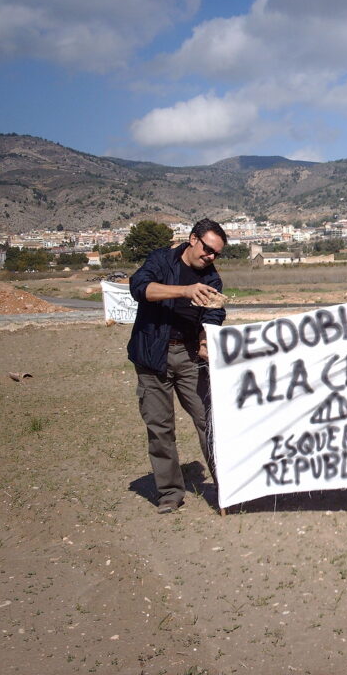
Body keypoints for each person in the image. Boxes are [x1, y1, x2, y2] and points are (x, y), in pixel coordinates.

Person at [127, 218, 228, 514]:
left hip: (189, 358)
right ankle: (170, 492)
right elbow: (140, 288)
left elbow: (214, 314)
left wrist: (204, 337)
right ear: (193, 239)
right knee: (160, 427)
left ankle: (226, 485)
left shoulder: (212, 279)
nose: (210, 257)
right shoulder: (161, 260)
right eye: (208, 249)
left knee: (209, 422)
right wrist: (184, 291)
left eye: (216, 254)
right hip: (152, 355)